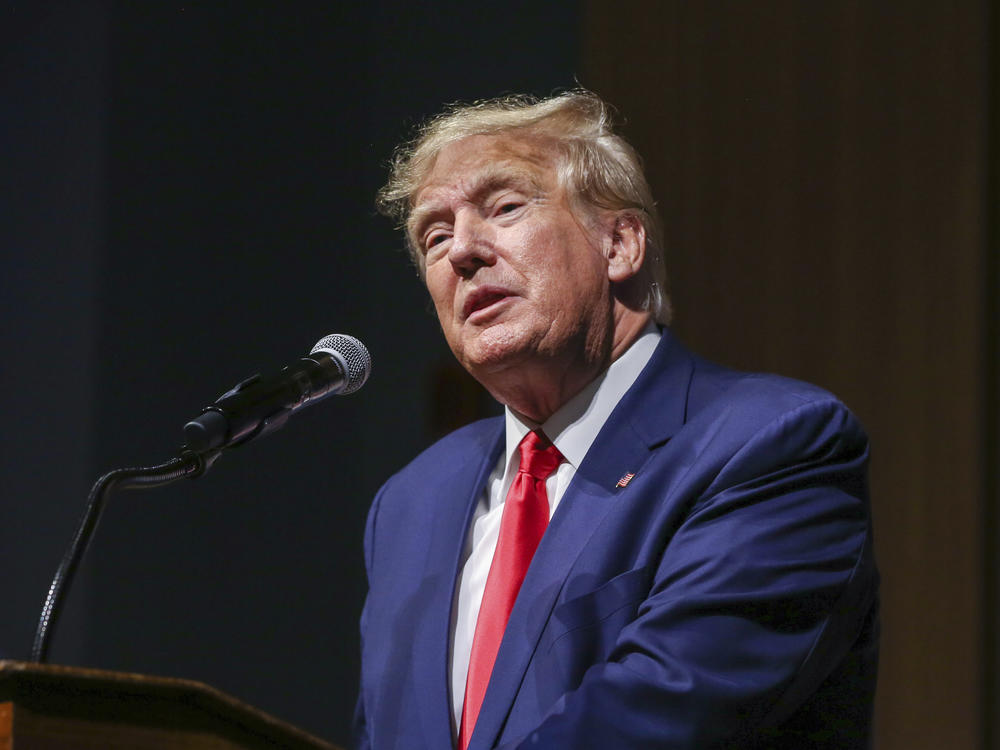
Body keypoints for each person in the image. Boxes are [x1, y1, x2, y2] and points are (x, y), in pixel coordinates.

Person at [354, 90, 878, 750]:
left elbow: (664, 716)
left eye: (505, 207)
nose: (461, 250)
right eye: (435, 236)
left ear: (620, 243)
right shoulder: (410, 503)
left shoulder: (773, 445)